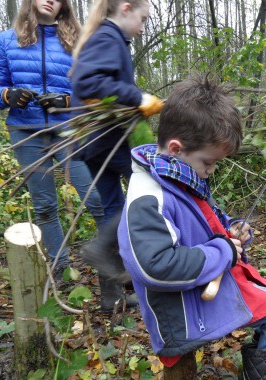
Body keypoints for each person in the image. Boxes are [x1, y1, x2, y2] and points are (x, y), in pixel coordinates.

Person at [117, 76, 266, 380]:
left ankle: (265, 370)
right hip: (184, 310)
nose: (211, 170)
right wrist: (223, 250)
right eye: (209, 162)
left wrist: (232, 229)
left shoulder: (180, 175)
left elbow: (207, 221)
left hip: (204, 288)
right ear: (177, 148)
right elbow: (154, 266)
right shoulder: (149, 194)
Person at [0, 0, 105, 280]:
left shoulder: (78, 40)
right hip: (26, 133)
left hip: (69, 130)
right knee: (46, 206)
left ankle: (116, 267)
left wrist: (67, 100)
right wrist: (7, 96)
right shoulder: (6, 40)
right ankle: (61, 270)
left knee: (97, 197)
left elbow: (94, 92)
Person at [69, 0, 164, 312]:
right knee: (151, 191)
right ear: (126, 8)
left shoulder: (106, 37)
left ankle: (113, 299)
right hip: (109, 142)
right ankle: (101, 250)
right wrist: (138, 97)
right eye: (143, 19)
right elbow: (86, 82)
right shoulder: (109, 37)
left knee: (114, 210)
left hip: (96, 144)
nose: (143, 27)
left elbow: (103, 83)